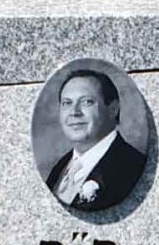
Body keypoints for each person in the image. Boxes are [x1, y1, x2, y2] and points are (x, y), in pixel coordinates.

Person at [46, 69, 147, 211]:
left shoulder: (133, 167)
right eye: (67, 103)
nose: (74, 112)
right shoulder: (59, 169)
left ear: (113, 109)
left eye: (87, 102)